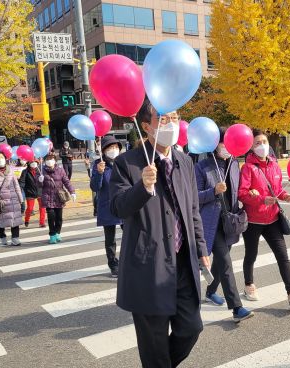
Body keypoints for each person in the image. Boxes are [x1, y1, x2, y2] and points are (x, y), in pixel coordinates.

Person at [109, 100, 209, 368]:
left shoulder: (185, 161)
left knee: (191, 328)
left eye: (175, 118)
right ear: (146, 126)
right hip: (148, 266)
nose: (171, 124)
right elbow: (118, 207)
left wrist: (201, 246)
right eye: (163, 119)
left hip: (183, 263)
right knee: (153, 344)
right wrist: (142, 186)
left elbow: (192, 209)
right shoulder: (126, 163)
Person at [238, 129, 290, 309]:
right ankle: (249, 285)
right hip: (254, 220)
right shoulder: (248, 168)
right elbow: (242, 193)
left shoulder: (274, 165)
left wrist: (284, 196)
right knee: (251, 254)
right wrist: (261, 199)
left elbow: (277, 190)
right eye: (257, 143)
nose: (262, 145)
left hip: (273, 219)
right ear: (251, 147)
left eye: (264, 141)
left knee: (283, 256)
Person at [195, 128, 254, 322]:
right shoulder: (202, 166)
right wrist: (213, 191)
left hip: (230, 221)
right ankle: (237, 308)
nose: (226, 148)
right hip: (212, 222)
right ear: (215, 144)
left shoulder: (235, 164)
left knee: (221, 263)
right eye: (223, 143)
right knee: (226, 262)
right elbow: (194, 197)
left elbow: (236, 192)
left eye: (229, 144)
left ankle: (210, 291)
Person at [90, 135, 124, 277]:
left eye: (116, 147)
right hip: (107, 206)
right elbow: (94, 187)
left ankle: (128, 261)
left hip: (124, 204)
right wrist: (99, 173)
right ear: (103, 150)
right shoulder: (99, 164)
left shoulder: (123, 162)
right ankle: (113, 264)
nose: (114, 150)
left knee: (131, 235)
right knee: (110, 239)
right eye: (110, 147)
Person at [0, 152, 24, 246]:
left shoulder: (10, 170)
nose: (0, 160)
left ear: (5, 158)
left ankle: (15, 239)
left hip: (12, 199)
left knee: (14, 220)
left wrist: (21, 199)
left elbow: (16, 185)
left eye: (1, 157)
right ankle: (2, 237)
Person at [39, 153, 76, 244]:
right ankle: (52, 235)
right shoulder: (41, 171)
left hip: (59, 197)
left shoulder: (60, 170)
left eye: (51, 159)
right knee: (51, 216)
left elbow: (66, 181)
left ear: (55, 160)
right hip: (47, 196)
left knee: (59, 217)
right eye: (47, 159)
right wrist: (39, 180)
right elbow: (38, 185)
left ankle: (57, 233)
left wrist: (72, 192)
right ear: (44, 161)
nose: (49, 161)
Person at [19, 159, 46, 228]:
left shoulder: (40, 171)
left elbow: (46, 180)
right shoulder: (25, 172)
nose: (34, 164)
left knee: (42, 207)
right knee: (30, 208)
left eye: (35, 162)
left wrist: (43, 180)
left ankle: (42, 222)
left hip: (40, 191)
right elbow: (22, 181)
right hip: (30, 192)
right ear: (29, 163)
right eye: (32, 162)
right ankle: (27, 220)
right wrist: (20, 188)